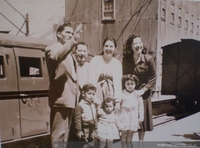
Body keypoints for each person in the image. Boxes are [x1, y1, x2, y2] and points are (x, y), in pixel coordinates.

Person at [45, 23, 82, 147]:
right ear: (58, 34)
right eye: (68, 32)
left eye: (72, 33)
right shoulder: (52, 48)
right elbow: (56, 56)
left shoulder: (70, 53)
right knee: (58, 136)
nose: (70, 35)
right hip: (60, 98)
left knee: (65, 136)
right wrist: (74, 40)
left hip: (70, 98)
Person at [122, 35, 156, 145]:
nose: (138, 45)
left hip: (143, 93)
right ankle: (128, 144)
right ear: (130, 46)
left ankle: (140, 144)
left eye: (139, 42)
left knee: (142, 121)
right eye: (135, 43)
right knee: (128, 119)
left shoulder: (149, 59)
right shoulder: (126, 60)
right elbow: (122, 75)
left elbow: (153, 77)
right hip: (128, 92)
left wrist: (143, 90)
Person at [88, 37, 122, 111]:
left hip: (111, 93)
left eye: (111, 46)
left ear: (114, 48)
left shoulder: (117, 63)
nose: (108, 48)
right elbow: (91, 79)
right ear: (103, 47)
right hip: (97, 92)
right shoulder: (95, 60)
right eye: (106, 46)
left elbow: (117, 83)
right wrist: (91, 96)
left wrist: (118, 101)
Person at [119, 74, 144, 148]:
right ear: (124, 84)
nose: (130, 86)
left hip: (133, 116)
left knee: (130, 132)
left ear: (135, 84)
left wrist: (141, 117)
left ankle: (129, 145)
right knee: (124, 132)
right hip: (124, 116)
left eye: (132, 84)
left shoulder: (137, 95)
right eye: (128, 84)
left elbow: (141, 107)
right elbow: (118, 106)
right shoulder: (122, 94)